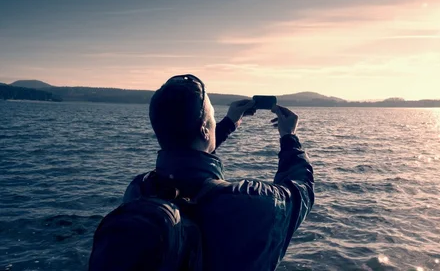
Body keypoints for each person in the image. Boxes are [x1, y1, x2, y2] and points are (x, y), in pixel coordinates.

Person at [89, 74, 314, 270]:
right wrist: (289, 137)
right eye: (212, 119)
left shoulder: (139, 190)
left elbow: (185, 156)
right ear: (206, 130)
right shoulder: (254, 203)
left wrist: (228, 123)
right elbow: (301, 190)